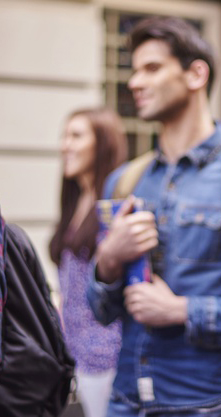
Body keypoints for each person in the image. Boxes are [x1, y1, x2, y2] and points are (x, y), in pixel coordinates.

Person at [86, 16, 221, 417]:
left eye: (151, 68)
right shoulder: (124, 181)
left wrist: (183, 311)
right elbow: (100, 311)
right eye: (134, 71)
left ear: (196, 74)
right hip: (124, 402)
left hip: (207, 406)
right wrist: (108, 261)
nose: (135, 82)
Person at [49, 107, 127, 417]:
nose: (65, 145)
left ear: (103, 143)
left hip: (106, 359)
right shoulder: (75, 201)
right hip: (73, 354)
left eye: (76, 136)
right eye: (64, 136)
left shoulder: (115, 206)